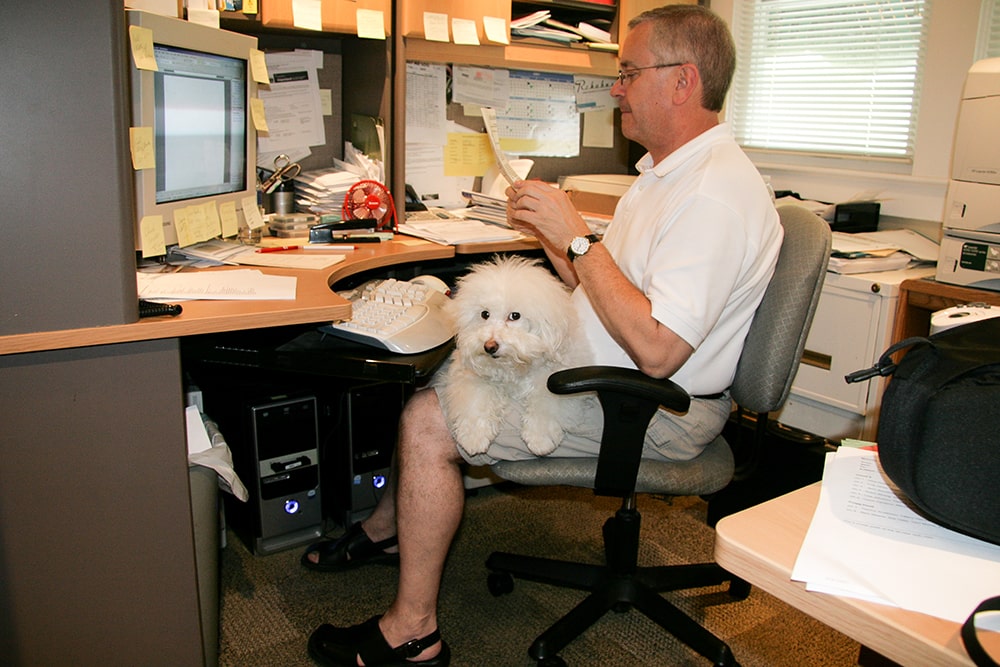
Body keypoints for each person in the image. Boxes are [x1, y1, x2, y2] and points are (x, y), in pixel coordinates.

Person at [304, 5, 782, 666]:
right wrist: (559, 241)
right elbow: (608, 293)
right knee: (437, 369)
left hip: (653, 406)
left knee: (426, 419)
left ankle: (412, 633)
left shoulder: (713, 196)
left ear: (682, 82)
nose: (616, 88)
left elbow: (657, 348)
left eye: (629, 73)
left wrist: (578, 237)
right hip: (602, 362)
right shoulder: (665, 175)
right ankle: (390, 528)